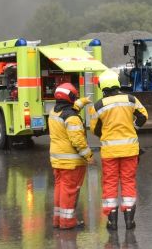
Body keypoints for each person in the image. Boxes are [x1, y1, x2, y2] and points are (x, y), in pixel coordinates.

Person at [90, 70, 148, 230]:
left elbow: (94, 129)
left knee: (110, 184)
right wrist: (133, 128)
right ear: (117, 83)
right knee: (128, 182)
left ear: (102, 86)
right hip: (130, 150)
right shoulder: (130, 99)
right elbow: (144, 116)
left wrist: (107, 133)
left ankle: (112, 222)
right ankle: (129, 221)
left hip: (110, 152)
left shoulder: (98, 105)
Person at [49, 83, 94, 230]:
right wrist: (89, 156)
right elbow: (78, 142)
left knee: (60, 189)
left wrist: (84, 101)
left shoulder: (54, 112)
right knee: (69, 191)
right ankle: (67, 223)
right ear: (71, 97)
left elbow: (71, 107)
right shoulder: (72, 118)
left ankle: (58, 220)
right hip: (71, 162)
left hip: (57, 160)